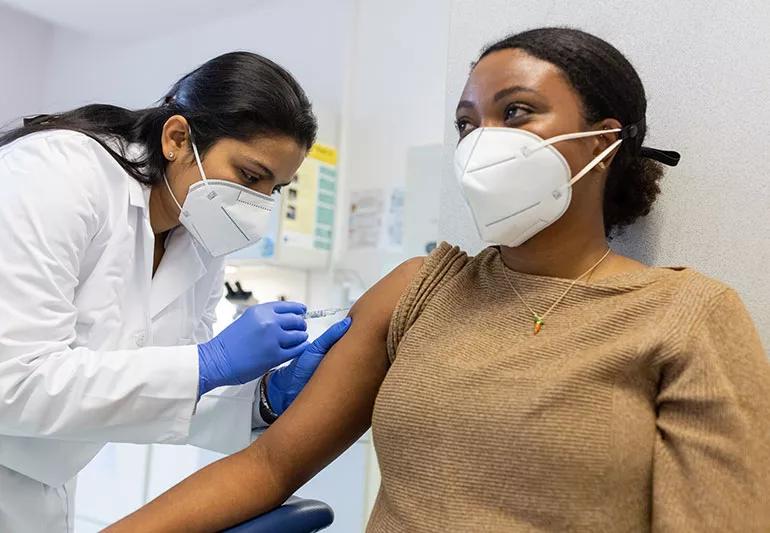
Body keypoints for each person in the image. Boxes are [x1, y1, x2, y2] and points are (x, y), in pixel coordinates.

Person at [108, 28, 770, 532]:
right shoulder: (418, 290)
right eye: (466, 123)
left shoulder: (685, 315)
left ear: (603, 141)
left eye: (515, 113)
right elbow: (269, 465)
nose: (481, 141)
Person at [0, 51, 350, 533]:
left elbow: (167, 382)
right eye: (250, 176)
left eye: (275, 188)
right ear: (177, 138)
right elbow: (11, 382)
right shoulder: (55, 174)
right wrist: (209, 362)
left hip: (41, 484)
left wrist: (263, 398)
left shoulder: (202, 237)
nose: (258, 204)